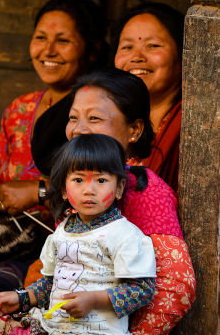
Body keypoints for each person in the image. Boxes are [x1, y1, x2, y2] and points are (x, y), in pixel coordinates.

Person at [0, 0, 109, 317]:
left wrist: (39, 192)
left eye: (63, 40)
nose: (48, 50)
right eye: (41, 38)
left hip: (60, 261)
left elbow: (111, 193)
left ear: (92, 49)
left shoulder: (101, 117)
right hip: (6, 249)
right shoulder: (19, 110)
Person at [31, 69, 195, 334]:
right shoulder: (79, 188)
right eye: (73, 118)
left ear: (135, 130)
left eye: (94, 118)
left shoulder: (143, 189)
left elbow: (174, 286)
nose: (78, 129)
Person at [0, 134, 156, 334]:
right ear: (62, 190)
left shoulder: (124, 235)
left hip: (98, 331)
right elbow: (50, 284)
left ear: (119, 188)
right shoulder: (61, 233)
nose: (89, 189)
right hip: (49, 328)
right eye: (78, 180)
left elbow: (142, 290)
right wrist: (21, 298)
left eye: (101, 180)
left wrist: (94, 300)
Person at [111, 2, 183, 192]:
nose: (137, 56)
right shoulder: (106, 120)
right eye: (127, 47)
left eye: (153, 45)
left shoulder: (197, 123)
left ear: (185, 55)